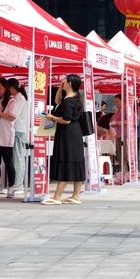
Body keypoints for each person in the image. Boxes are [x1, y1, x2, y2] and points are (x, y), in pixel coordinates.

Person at [42, 74, 86, 205]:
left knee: (66, 161)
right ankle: (76, 195)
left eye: (65, 81)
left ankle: (57, 196)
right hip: (75, 133)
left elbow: (66, 120)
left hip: (67, 134)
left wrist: (52, 118)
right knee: (76, 161)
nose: (63, 81)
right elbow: (56, 102)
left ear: (70, 83)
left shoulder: (68, 101)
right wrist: (60, 88)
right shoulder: (74, 98)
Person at [7, 79, 28, 196]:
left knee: (18, 158)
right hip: (21, 130)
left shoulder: (18, 98)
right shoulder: (21, 97)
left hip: (19, 130)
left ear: (11, 88)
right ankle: (18, 184)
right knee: (19, 158)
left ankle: (18, 185)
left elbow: (14, 115)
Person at [110, 94, 127, 171]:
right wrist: (114, 124)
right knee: (119, 153)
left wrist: (120, 122)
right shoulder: (119, 110)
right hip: (118, 133)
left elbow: (130, 120)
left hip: (125, 133)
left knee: (124, 153)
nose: (116, 103)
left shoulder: (126, 109)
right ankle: (122, 169)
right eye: (115, 102)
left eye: (118, 102)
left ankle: (125, 169)